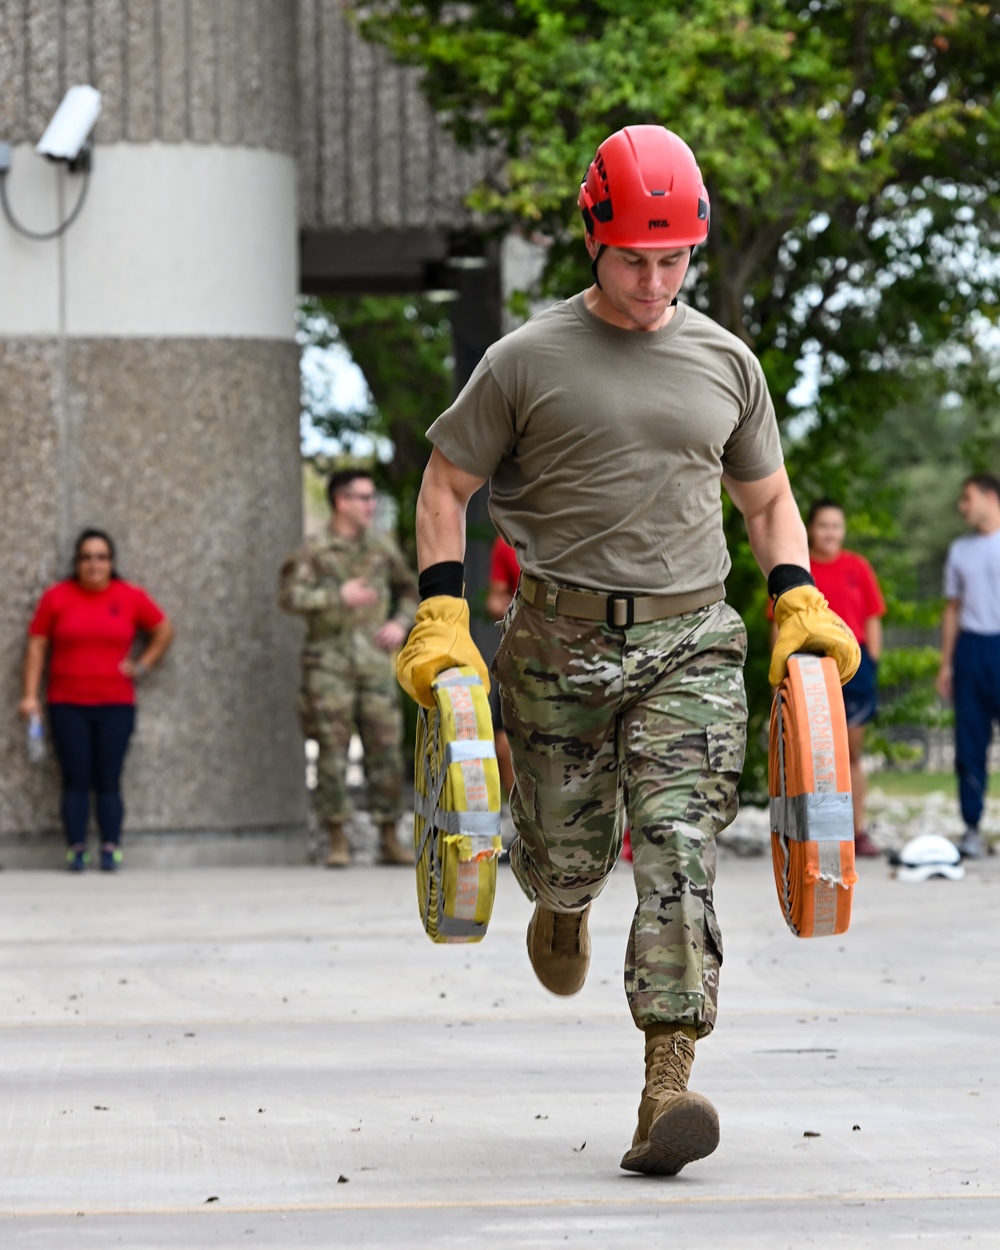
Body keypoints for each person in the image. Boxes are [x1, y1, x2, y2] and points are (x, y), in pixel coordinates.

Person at [396, 124, 859, 1176]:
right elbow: (443, 486)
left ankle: (666, 1082)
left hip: (692, 640)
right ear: (592, 238)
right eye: (635, 259)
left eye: (674, 259)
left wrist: (792, 594)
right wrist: (442, 613)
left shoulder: (724, 361)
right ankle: (559, 906)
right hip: (556, 639)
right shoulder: (523, 362)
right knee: (564, 852)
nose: (656, 283)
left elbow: (770, 499)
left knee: (676, 849)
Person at [279, 469, 419, 868]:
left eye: (373, 498)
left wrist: (400, 622)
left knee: (386, 750)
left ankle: (389, 838)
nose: (371, 505)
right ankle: (336, 838)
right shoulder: (314, 550)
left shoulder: (381, 548)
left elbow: (410, 588)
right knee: (332, 753)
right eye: (363, 497)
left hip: (374, 666)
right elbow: (288, 596)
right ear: (341, 502)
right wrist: (335, 594)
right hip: (328, 666)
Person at [19, 528, 173, 872]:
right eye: (87, 557)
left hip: (116, 704)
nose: (94, 564)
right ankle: (76, 849)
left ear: (111, 562)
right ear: (77, 563)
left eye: (101, 557)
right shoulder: (57, 597)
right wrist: (30, 695)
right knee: (75, 778)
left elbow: (164, 629)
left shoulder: (130, 596)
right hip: (67, 703)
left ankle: (110, 847)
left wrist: (143, 664)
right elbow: (37, 644)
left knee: (108, 778)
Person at [769, 500, 887, 858]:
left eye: (837, 525)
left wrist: (874, 664)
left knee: (850, 752)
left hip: (855, 665)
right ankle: (814, 833)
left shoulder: (857, 567)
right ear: (810, 529)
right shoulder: (797, 572)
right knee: (810, 753)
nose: (830, 532)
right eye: (823, 526)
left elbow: (873, 617)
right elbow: (778, 622)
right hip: (807, 666)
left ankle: (856, 830)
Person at [935, 473, 1000, 859]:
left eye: (967, 498)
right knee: (969, 742)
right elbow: (953, 609)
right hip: (972, 650)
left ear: (990, 497)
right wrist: (945, 664)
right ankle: (973, 826)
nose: (962, 507)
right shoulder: (960, 550)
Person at [486, 534, 520, 798]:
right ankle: (517, 818)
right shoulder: (508, 540)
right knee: (504, 739)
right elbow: (494, 599)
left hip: (571, 651)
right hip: (519, 651)